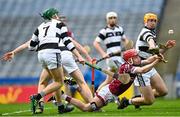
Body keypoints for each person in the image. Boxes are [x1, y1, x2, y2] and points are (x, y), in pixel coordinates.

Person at [2, 8, 93, 114]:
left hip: (41, 55)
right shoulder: (60, 25)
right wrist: (80, 56)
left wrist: (14, 52)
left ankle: (57, 106)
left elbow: (31, 46)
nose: (59, 18)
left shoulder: (40, 27)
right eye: (57, 15)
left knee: (47, 82)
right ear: (54, 16)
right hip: (56, 53)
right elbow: (68, 41)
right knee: (63, 82)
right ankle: (38, 97)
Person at [58, 49, 164, 112]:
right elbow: (143, 70)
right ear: (131, 60)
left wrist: (158, 56)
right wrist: (156, 62)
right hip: (107, 93)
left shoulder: (134, 63)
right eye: (136, 57)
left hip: (111, 94)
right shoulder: (128, 67)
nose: (139, 58)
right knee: (86, 108)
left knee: (95, 108)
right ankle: (63, 96)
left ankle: (75, 85)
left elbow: (148, 60)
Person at [119, 13, 176, 109]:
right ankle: (127, 101)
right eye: (150, 20)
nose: (153, 23)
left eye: (154, 21)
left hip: (149, 66)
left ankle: (139, 98)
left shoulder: (152, 33)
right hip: (141, 69)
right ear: (145, 22)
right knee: (149, 101)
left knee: (163, 91)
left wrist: (166, 47)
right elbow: (151, 45)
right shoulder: (146, 32)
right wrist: (153, 47)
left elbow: (154, 52)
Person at [93, 11, 130, 92]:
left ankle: (97, 93)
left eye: (114, 18)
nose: (113, 20)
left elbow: (125, 40)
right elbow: (95, 43)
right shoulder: (104, 31)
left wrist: (128, 46)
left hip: (119, 57)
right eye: (110, 18)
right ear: (107, 20)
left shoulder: (120, 29)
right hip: (111, 58)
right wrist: (103, 53)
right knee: (122, 76)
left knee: (108, 80)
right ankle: (115, 96)